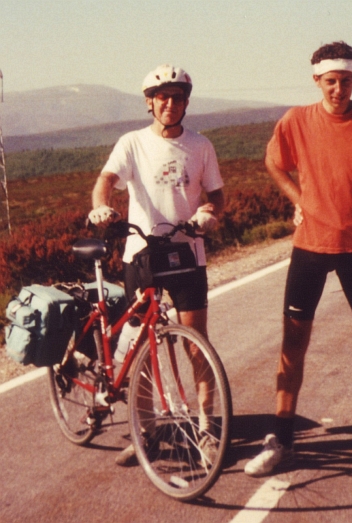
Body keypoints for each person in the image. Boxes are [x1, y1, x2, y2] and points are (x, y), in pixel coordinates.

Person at [243, 41, 352, 491]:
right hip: (309, 248)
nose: (338, 89)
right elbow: (273, 163)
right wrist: (302, 201)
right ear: (316, 81)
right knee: (293, 344)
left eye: (345, 81)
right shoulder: (296, 120)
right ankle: (281, 440)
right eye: (329, 82)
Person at [88, 64, 225, 466]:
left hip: (187, 253)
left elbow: (217, 195)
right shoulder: (132, 143)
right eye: (162, 97)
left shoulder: (200, 146)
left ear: (185, 102)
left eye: (177, 97)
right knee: (143, 345)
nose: (170, 103)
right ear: (150, 103)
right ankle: (146, 431)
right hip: (141, 255)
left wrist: (209, 213)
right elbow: (106, 180)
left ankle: (207, 428)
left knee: (196, 342)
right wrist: (100, 206)